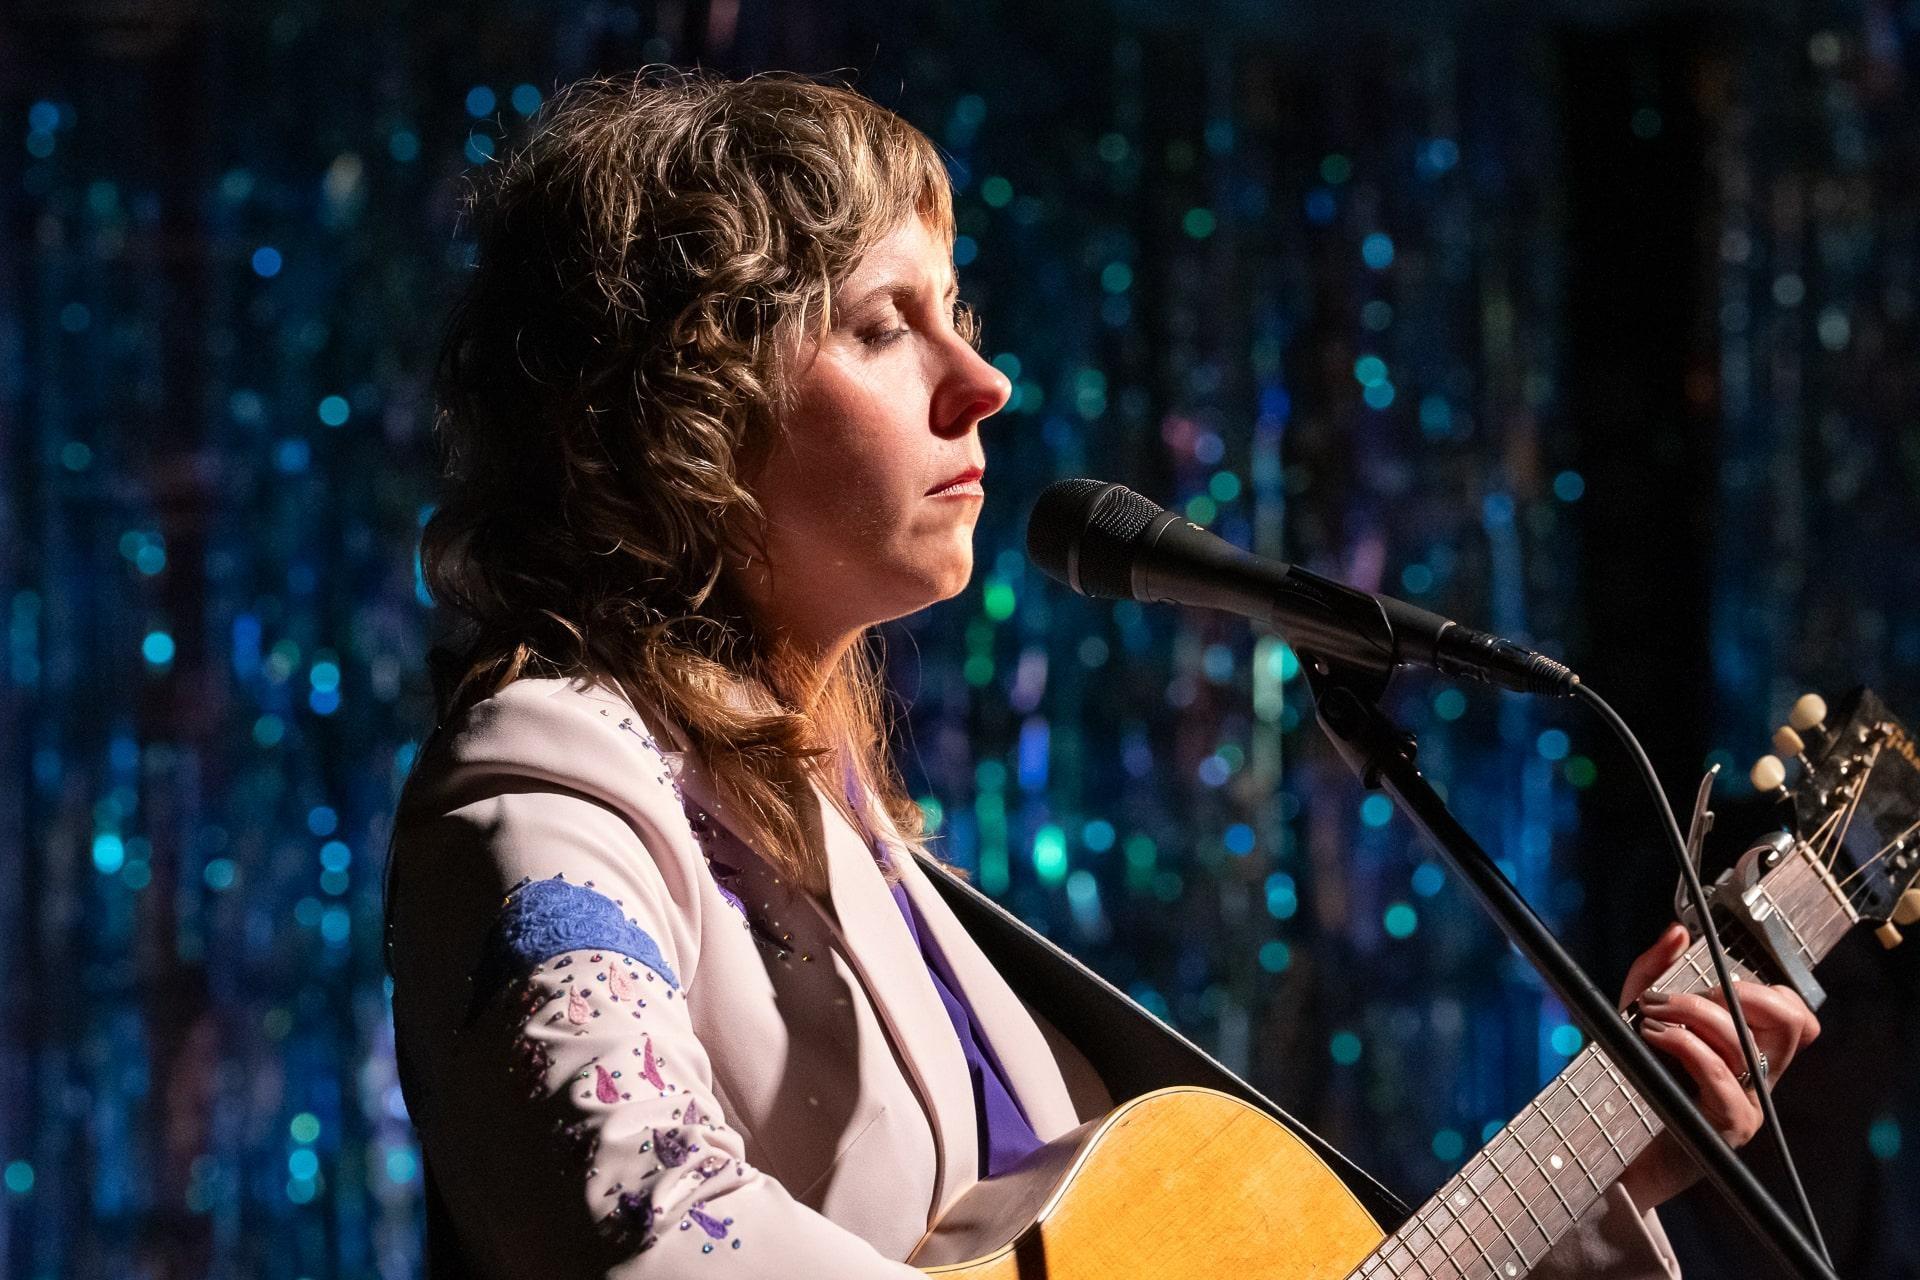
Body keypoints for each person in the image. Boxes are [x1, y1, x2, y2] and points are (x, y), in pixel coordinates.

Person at [382, 68, 1822, 1279]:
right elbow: (641, 1226)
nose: (983, 381)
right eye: (883, 325)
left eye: (958, 313)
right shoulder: (551, 773)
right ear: (680, 408)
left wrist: (1605, 1179)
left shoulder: (857, 844)